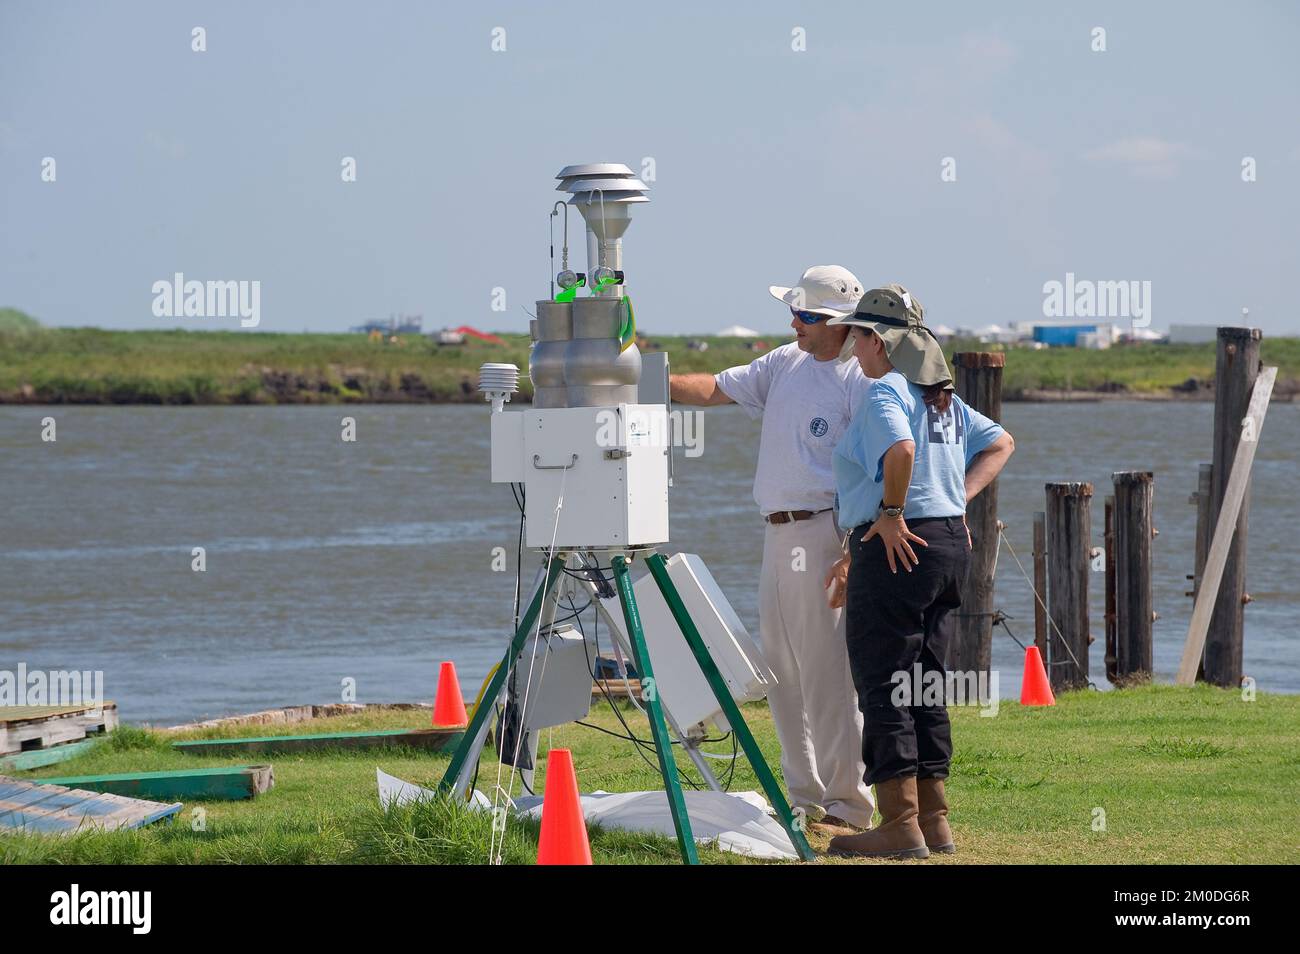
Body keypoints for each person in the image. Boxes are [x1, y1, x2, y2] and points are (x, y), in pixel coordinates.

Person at [670, 265, 876, 832]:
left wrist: (853, 551)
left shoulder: (859, 378)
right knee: (781, 670)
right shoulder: (785, 362)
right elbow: (715, 387)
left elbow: (880, 469)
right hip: (778, 532)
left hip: (825, 531)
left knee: (827, 673)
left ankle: (849, 805)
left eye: (806, 315)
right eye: (794, 312)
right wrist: (644, 377)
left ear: (837, 323)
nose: (795, 323)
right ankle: (805, 796)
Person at [821, 284, 1015, 858]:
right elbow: (1002, 442)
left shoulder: (886, 394)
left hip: (900, 543)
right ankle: (935, 822)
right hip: (948, 542)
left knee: (883, 680)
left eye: (857, 335)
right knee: (926, 680)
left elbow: (900, 453)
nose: (852, 346)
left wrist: (890, 512)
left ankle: (900, 826)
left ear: (878, 341)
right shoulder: (943, 401)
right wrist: (956, 501)